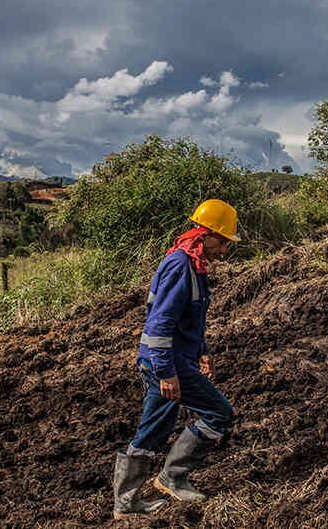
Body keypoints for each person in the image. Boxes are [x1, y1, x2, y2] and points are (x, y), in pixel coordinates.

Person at [112, 199, 240, 520]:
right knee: (218, 413)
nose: (224, 250)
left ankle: (134, 497)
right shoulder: (181, 265)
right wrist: (166, 372)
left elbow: (188, 320)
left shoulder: (193, 265)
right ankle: (166, 480)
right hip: (166, 363)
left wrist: (202, 350)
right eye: (223, 241)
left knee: (157, 427)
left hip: (175, 360)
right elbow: (159, 323)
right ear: (206, 234)